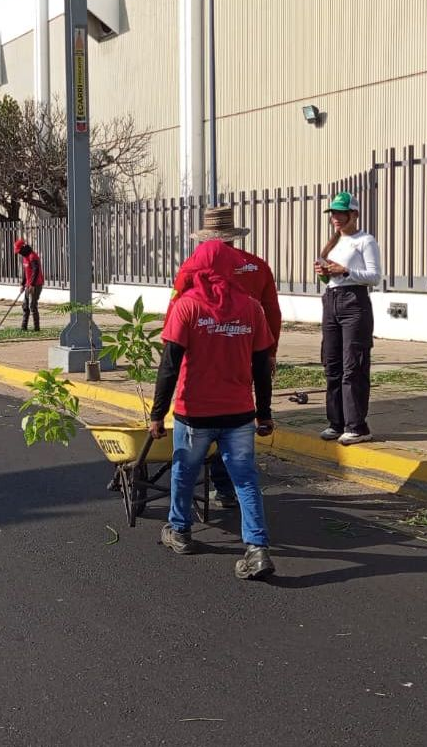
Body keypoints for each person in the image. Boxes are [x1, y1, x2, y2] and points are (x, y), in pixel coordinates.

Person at [149, 240, 276, 579]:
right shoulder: (251, 308)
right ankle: (257, 549)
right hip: (238, 413)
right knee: (246, 480)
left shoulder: (187, 307)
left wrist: (156, 414)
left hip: (195, 413)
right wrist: (264, 414)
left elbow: (169, 366)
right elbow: (262, 366)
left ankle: (180, 530)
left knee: (184, 471)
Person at [168, 206, 282, 510]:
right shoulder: (257, 266)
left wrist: (173, 353)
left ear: (205, 239)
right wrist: (270, 352)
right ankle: (229, 488)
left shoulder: (192, 267)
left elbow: (176, 308)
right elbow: (272, 311)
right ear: (233, 237)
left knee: (208, 415)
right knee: (236, 415)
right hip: (248, 351)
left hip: (204, 356)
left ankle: (189, 513)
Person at [314, 192, 382, 445]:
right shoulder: (332, 243)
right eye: (332, 213)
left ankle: (357, 426)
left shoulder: (365, 241)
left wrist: (346, 270)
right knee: (332, 364)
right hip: (331, 300)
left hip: (354, 302)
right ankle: (337, 422)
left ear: (354, 214)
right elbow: (329, 279)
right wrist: (324, 272)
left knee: (353, 365)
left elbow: (374, 276)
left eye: (340, 213)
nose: (335, 218)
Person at [13, 238, 44, 332]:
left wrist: (32, 285)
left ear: (24, 248)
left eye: (19, 251)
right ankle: (23, 327)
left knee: (32, 305)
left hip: (36, 284)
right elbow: (26, 272)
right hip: (28, 285)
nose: (19, 253)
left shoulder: (32, 256)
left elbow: (36, 270)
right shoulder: (25, 258)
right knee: (25, 306)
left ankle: (36, 328)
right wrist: (23, 284)